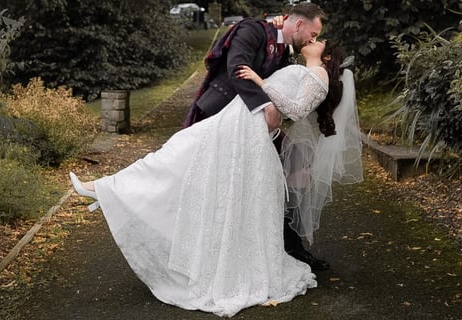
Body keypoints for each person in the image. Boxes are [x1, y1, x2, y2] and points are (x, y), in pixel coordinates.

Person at [70, 40, 362, 317]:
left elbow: (295, 110)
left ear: (326, 57)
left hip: (245, 130)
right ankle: (110, 189)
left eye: (320, 40)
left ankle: (109, 190)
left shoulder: (320, 75)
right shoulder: (309, 70)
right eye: (314, 34)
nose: (314, 39)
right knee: (181, 160)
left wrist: (260, 83)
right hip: (238, 124)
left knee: (178, 157)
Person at [184, 2, 330, 270]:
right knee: (210, 182)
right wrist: (266, 105)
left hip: (255, 125)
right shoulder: (252, 30)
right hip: (220, 114)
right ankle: (209, 250)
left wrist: (271, 105)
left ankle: (289, 247)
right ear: (298, 24)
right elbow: (237, 68)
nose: (314, 39)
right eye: (313, 33)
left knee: (294, 166)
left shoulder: (284, 50)